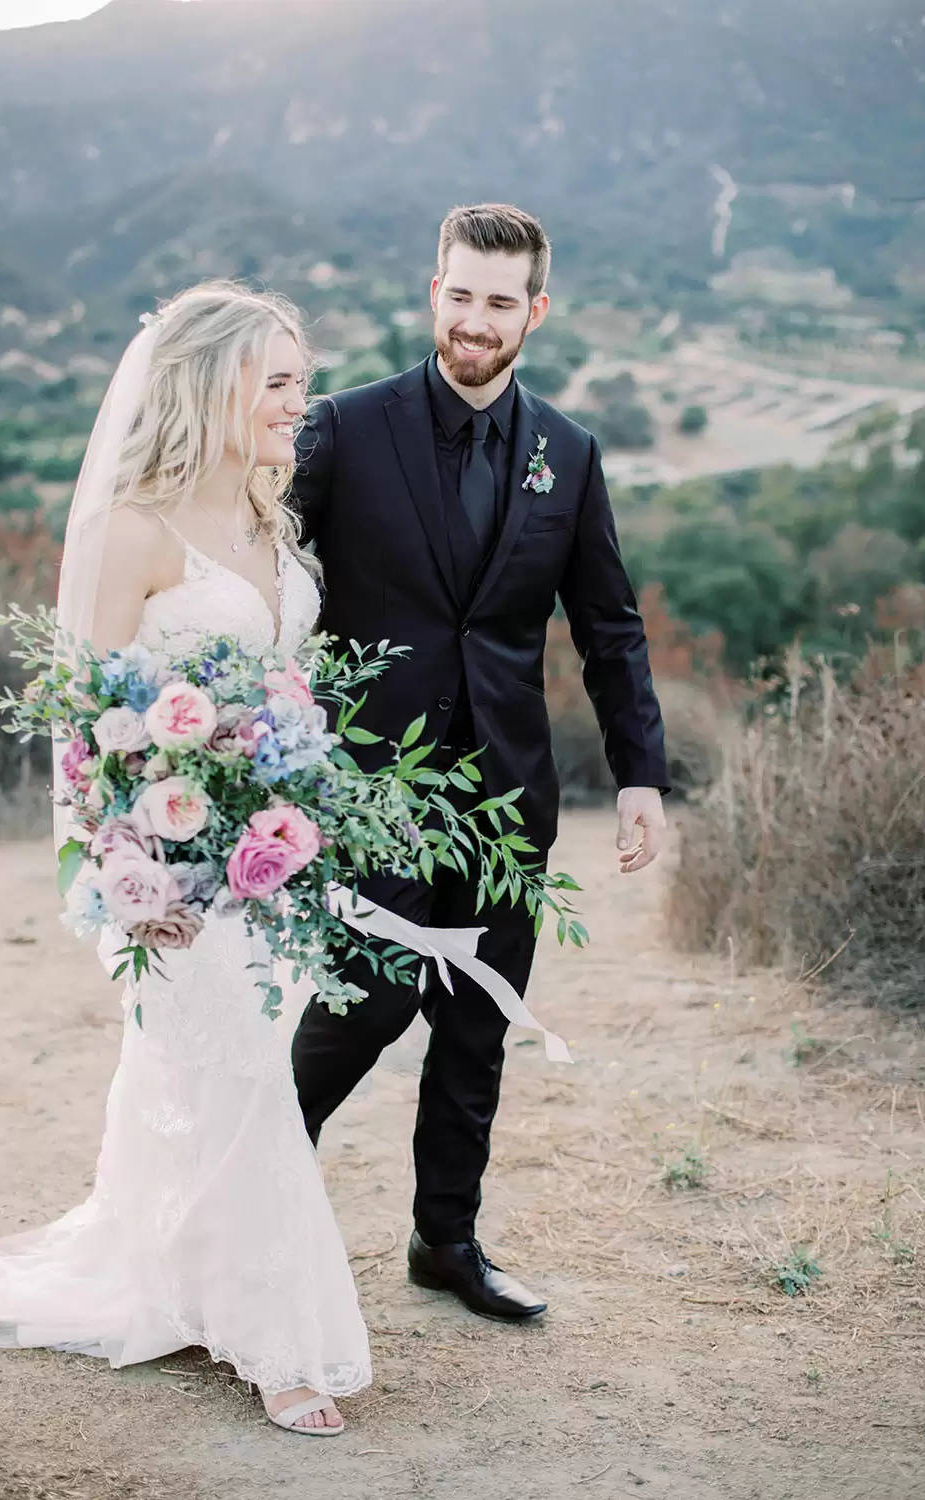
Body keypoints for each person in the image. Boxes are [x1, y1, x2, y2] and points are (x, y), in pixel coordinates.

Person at [0, 282, 370, 1437]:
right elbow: (77, 724)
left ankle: (170, 1269)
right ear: (208, 386)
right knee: (237, 1080)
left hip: (273, 862)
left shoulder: (270, 522)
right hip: (171, 870)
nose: (298, 400)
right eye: (274, 380)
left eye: (299, 375)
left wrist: (309, 803)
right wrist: (128, 877)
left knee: (205, 1081)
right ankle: (282, 1346)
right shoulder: (130, 526)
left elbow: (288, 688)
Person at [292, 203, 670, 1322]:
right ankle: (247, 1191)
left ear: (533, 313)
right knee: (367, 999)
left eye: (498, 302)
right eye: (457, 294)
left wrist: (639, 773)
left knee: (477, 1017)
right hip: (369, 792)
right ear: (433, 292)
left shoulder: (571, 452)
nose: (473, 319)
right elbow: (270, 589)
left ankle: (444, 1242)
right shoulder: (343, 430)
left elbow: (610, 625)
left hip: (507, 795)